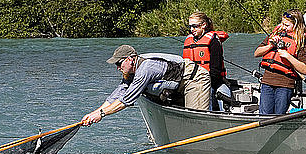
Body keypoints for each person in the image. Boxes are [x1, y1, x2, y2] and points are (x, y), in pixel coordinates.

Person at [81, 45, 211, 125]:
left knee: (196, 121)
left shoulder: (145, 69)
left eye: (119, 64)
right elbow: (118, 93)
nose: (118, 68)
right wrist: (94, 113)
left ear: (130, 59)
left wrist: (102, 114)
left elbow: (126, 100)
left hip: (194, 79)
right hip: (178, 83)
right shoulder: (131, 71)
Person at [254, 9, 306, 114]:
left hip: (285, 84)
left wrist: (288, 56)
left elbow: (304, 69)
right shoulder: (276, 34)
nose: (283, 27)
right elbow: (256, 53)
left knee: (279, 116)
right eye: (282, 23)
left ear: (295, 25)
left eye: (286, 25)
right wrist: (270, 46)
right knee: (264, 115)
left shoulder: (302, 41)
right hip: (267, 81)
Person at [182, 11, 231, 111]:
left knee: (209, 95)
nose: (192, 29)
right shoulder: (189, 40)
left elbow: (215, 70)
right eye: (190, 27)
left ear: (203, 25)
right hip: (192, 80)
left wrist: (204, 84)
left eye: (194, 26)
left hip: (211, 81)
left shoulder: (213, 41)